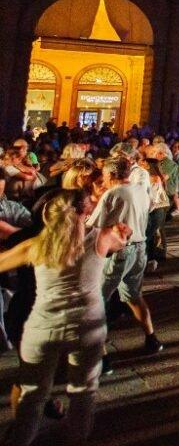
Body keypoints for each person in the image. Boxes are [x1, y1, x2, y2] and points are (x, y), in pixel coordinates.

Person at [0, 190, 131, 446]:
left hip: (43, 327)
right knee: (83, 392)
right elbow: (122, 240)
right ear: (85, 212)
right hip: (87, 327)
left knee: (33, 394)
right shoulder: (102, 238)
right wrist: (123, 233)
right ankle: (75, 439)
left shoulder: (36, 244)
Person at [88, 154, 164, 362]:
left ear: (112, 174)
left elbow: (94, 224)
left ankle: (100, 355)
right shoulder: (140, 190)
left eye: (104, 174)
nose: (102, 178)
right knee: (132, 294)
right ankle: (151, 337)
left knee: (98, 301)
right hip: (139, 247)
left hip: (119, 250)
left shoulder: (113, 193)